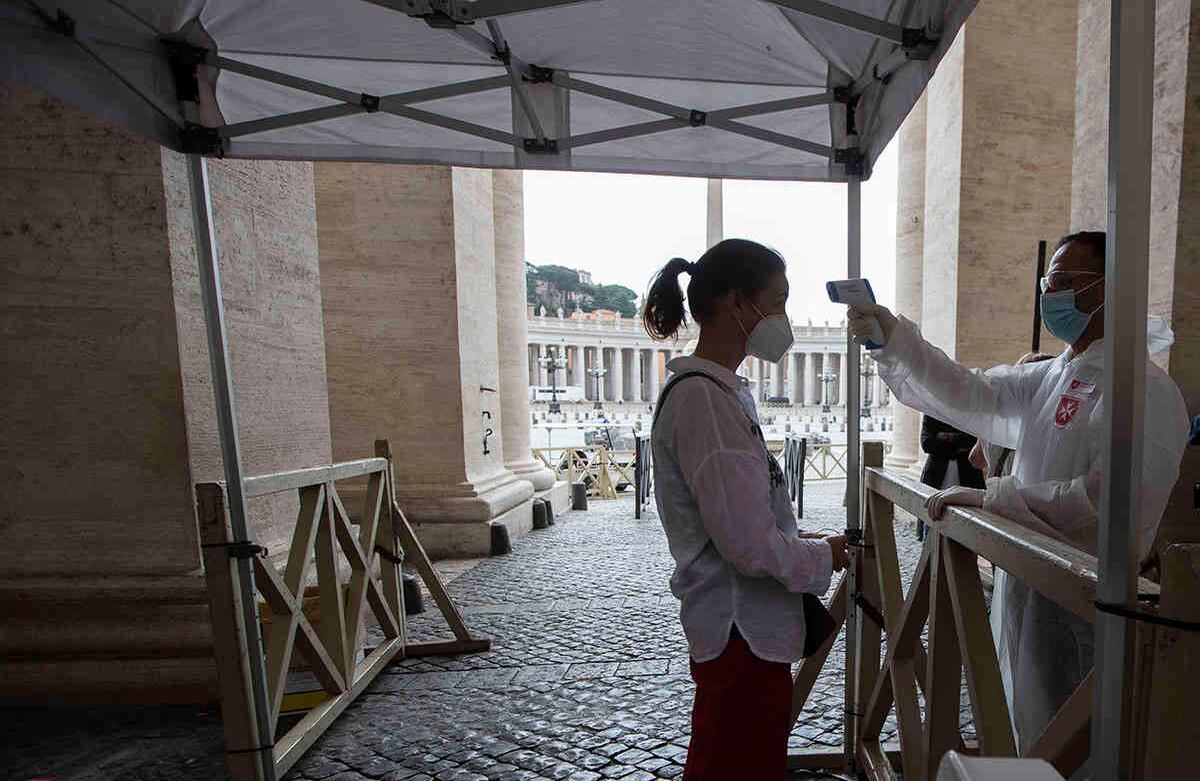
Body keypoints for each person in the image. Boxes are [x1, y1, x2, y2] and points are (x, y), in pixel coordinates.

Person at [847, 230, 1188, 753]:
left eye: (1066, 281)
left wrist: (997, 503)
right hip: (1026, 589)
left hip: (1089, 606)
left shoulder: (1145, 390)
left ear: (1110, 289)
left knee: (1081, 745)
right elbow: (970, 392)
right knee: (1020, 728)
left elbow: (1109, 506)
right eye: (1049, 281)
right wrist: (893, 339)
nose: (1050, 294)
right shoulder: (1051, 375)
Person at [643, 239, 849, 781]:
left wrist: (802, 541)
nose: (783, 316)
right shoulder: (705, 400)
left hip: (744, 627)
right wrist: (823, 554)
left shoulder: (721, 392)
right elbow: (748, 546)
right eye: (777, 300)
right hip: (740, 628)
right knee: (734, 767)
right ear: (738, 303)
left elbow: (748, 513)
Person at [917, 416, 985, 540]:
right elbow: (927, 444)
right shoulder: (931, 413)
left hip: (968, 477)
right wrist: (958, 444)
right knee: (931, 526)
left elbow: (974, 440)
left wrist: (945, 437)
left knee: (967, 530)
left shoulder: (972, 413)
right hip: (935, 478)